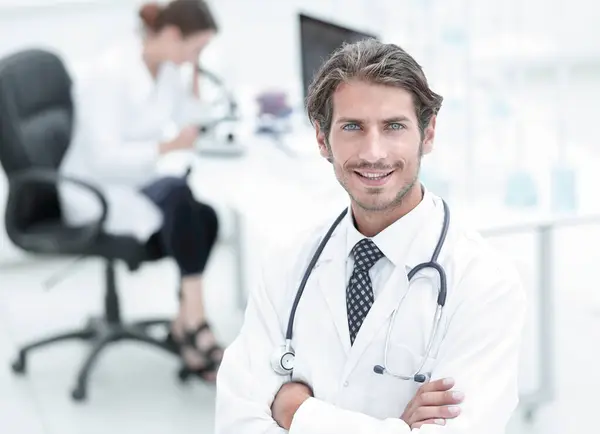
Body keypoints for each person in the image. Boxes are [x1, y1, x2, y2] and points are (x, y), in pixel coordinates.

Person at [214, 39, 527, 433]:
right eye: (352, 127)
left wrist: (296, 412)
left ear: (427, 134)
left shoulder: (484, 282)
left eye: (394, 126)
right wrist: (397, 427)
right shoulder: (287, 264)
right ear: (321, 139)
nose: (374, 152)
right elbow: (235, 419)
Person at [59, 0, 224, 382]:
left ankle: (186, 318)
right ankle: (194, 322)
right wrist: (166, 148)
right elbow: (103, 159)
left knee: (207, 216)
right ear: (170, 35)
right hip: (94, 191)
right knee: (179, 196)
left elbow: (194, 117)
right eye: (194, 48)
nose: (194, 58)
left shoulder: (166, 69)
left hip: (134, 183)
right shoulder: (110, 74)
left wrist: (195, 69)